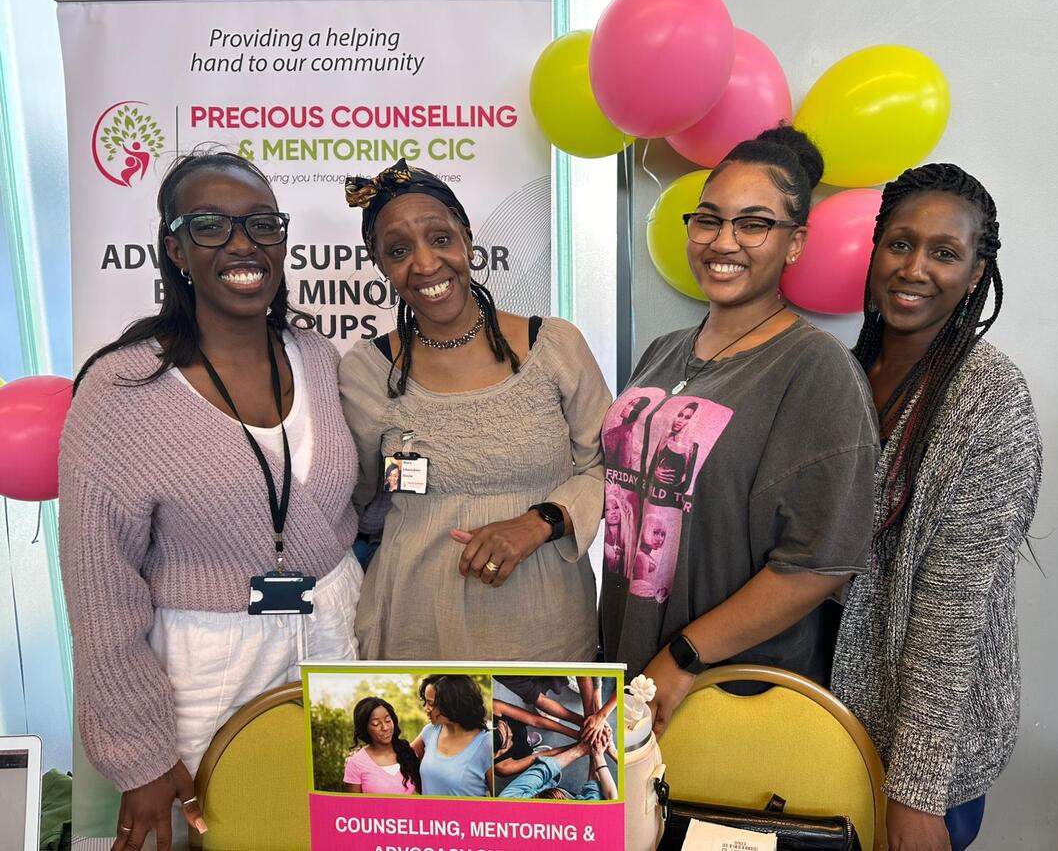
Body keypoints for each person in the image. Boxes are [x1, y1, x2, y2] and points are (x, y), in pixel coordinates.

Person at [58, 150, 361, 849]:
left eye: (261, 224)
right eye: (210, 226)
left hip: (337, 639)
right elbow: (101, 595)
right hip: (205, 670)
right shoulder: (121, 390)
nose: (242, 243)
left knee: (336, 829)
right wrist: (138, 753)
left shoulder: (319, 358)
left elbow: (358, 500)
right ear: (174, 248)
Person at [600, 125, 879, 734]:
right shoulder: (664, 352)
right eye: (708, 219)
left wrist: (685, 656)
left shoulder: (816, 371)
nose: (723, 241)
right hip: (632, 676)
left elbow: (822, 563)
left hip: (726, 689)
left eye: (753, 224)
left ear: (796, 243)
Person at [831, 164, 1043, 851]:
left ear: (977, 273)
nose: (914, 267)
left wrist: (915, 790)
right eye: (900, 243)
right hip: (831, 712)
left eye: (944, 253)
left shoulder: (989, 397)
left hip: (926, 747)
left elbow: (953, 611)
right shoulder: (846, 369)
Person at [339, 159, 610, 662]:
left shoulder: (554, 346)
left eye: (439, 238)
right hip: (414, 624)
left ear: (466, 239)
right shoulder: (367, 371)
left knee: (542, 740)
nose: (424, 264)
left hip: (543, 619)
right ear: (380, 265)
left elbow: (609, 470)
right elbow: (353, 496)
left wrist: (539, 521)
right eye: (398, 251)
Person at [411, 675, 493, 797]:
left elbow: (500, 804)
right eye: (425, 702)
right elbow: (401, 761)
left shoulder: (487, 743)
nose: (426, 709)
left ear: (452, 704)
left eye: (431, 703)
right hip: (428, 815)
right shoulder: (430, 731)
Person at [498, 734, 617, 801]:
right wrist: (597, 754)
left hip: (531, 797)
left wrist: (582, 749)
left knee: (542, 771)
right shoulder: (587, 816)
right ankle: (547, 782)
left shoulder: (507, 801)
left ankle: (546, 782)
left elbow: (542, 771)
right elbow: (596, 792)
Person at [344, 697, 420, 794]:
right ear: (364, 728)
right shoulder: (355, 763)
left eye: (388, 720)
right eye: (376, 724)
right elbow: (352, 806)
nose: (385, 727)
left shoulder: (406, 752)